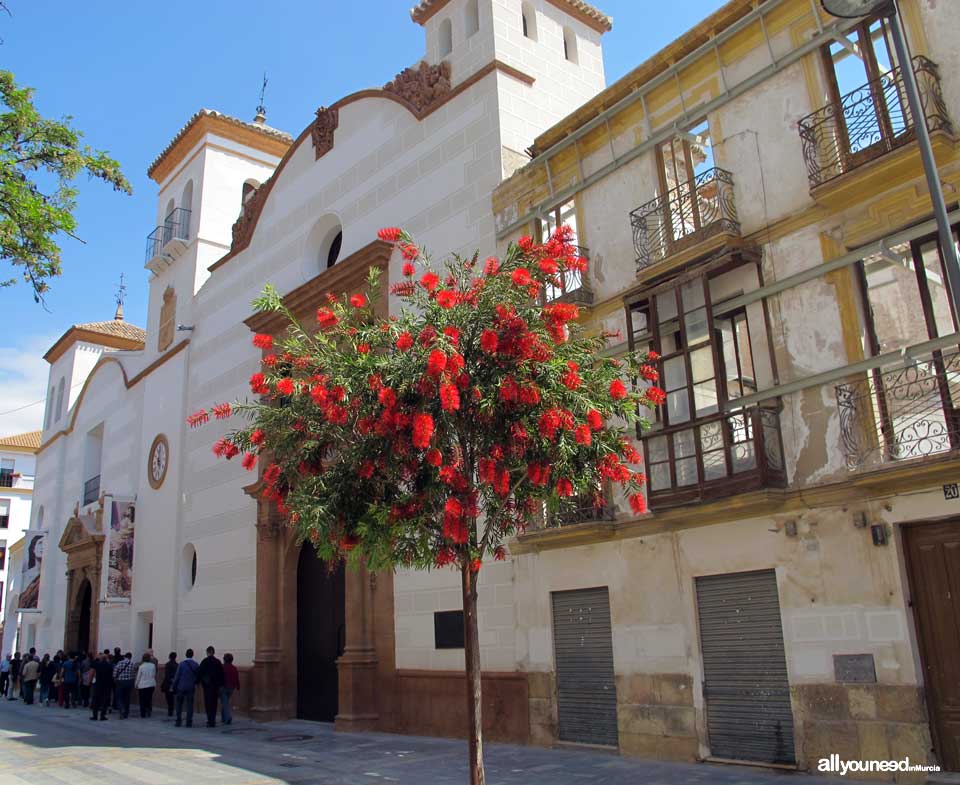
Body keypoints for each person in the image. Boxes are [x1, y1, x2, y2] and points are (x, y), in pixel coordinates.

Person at [171, 649, 199, 728]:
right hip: (190, 687)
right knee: (190, 705)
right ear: (192, 655)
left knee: (179, 704)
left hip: (181, 686)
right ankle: (189, 722)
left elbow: (177, 676)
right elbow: (198, 675)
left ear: (185, 654)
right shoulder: (195, 664)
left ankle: (178, 720)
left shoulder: (181, 664)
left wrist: (173, 686)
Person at [198, 646, 224, 728]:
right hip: (215, 686)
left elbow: (200, 672)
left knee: (208, 703)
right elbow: (221, 674)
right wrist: (220, 685)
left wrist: (199, 682)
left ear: (207, 652)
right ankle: (213, 720)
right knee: (214, 703)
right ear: (214, 652)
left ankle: (210, 720)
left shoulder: (205, 661)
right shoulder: (218, 662)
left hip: (207, 686)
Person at [90, 653, 113, 721]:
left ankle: (95, 715)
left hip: (98, 684)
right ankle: (102, 716)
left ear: (100, 659)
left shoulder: (97, 664)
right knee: (105, 701)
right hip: (106, 685)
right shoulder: (109, 666)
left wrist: (96, 658)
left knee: (96, 700)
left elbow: (92, 664)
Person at [113, 652, 135, 719]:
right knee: (127, 698)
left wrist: (115, 678)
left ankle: (121, 709)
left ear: (125, 656)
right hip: (129, 682)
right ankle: (126, 712)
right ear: (130, 657)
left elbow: (115, 672)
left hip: (120, 682)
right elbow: (133, 674)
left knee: (119, 697)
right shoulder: (132, 664)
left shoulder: (120, 662)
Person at [220, 653, 239, 726]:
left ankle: (228, 717)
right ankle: (223, 718)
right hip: (231, 688)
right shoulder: (234, 668)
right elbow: (236, 677)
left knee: (225, 703)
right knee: (225, 702)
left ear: (225, 659)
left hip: (223, 687)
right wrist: (237, 686)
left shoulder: (222, 667)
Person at [135, 652, 156, 718]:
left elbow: (138, 676)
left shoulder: (141, 666)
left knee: (142, 699)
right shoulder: (153, 665)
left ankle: (143, 713)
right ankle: (148, 709)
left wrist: (136, 684)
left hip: (143, 685)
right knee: (149, 698)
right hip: (151, 684)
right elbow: (154, 674)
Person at [161, 652, 178, 718]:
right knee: (172, 697)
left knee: (168, 698)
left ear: (169, 657)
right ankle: (171, 709)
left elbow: (167, 675)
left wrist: (170, 680)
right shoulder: (177, 665)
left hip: (168, 683)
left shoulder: (168, 664)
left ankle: (170, 710)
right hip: (174, 683)